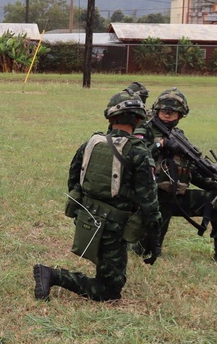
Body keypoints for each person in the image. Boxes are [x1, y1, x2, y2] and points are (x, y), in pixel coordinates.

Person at [33, 93, 161, 302]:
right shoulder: (138, 153)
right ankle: (53, 275)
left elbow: (74, 178)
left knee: (111, 272)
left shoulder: (91, 144)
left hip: (86, 219)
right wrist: (153, 241)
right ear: (139, 120)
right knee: (110, 291)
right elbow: (150, 203)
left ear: (110, 119)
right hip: (114, 228)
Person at [136, 88, 217, 266]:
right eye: (165, 111)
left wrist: (212, 182)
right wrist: (161, 144)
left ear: (181, 115)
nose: (167, 116)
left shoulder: (179, 137)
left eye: (172, 113)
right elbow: (136, 157)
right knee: (145, 251)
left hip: (176, 198)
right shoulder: (145, 130)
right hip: (151, 201)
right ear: (157, 110)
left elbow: (190, 171)